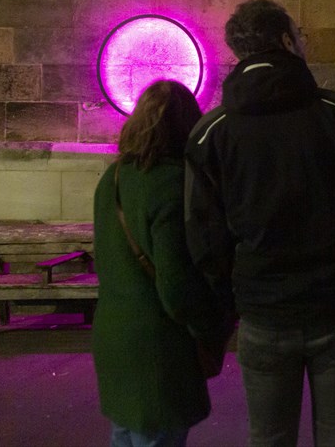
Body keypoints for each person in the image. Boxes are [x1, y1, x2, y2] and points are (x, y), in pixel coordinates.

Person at [185, 0, 335, 447]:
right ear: (286, 41)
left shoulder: (212, 132)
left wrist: (230, 297)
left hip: (263, 310)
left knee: (270, 437)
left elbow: (204, 235)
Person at [92, 80, 230, 447]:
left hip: (113, 336)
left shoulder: (113, 178)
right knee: (156, 436)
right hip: (157, 348)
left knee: (125, 434)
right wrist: (212, 326)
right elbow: (175, 285)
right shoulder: (172, 183)